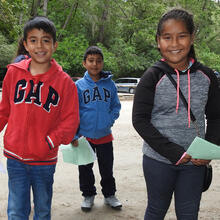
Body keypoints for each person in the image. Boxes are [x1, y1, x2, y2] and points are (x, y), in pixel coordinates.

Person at [132, 8, 220, 220]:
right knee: (156, 210)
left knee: (189, 213)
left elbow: (216, 117)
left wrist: (209, 149)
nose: (174, 44)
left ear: (192, 38)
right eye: (167, 37)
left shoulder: (207, 76)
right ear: (158, 41)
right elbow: (140, 121)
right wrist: (174, 152)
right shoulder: (151, 77)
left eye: (181, 36)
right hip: (158, 161)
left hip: (195, 164)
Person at [0, 16, 80, 219]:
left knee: (43, 210)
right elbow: (4, 111)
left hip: (44, 160)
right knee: (16, 210)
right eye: (33, 40)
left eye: (46, 40)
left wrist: (50, 141)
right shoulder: (13, 74)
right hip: (15, 157)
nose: (40, 46)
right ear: (26, 45)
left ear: (55, 45)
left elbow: (70, 122)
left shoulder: (65, 83)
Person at [72, 46, 122, 212]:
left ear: (102, 63)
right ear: (84, 63)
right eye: (91, 61)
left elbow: (116, 106)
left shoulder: (110, 85)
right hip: (84, 136)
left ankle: (109, 195)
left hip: (105, 136)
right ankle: (88, 195)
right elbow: (73, 111)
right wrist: (74, 135)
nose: (95, 64)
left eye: (98, 61)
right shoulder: (79, 85)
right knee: (85, 169)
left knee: (106, 168)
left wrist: (109, 120)